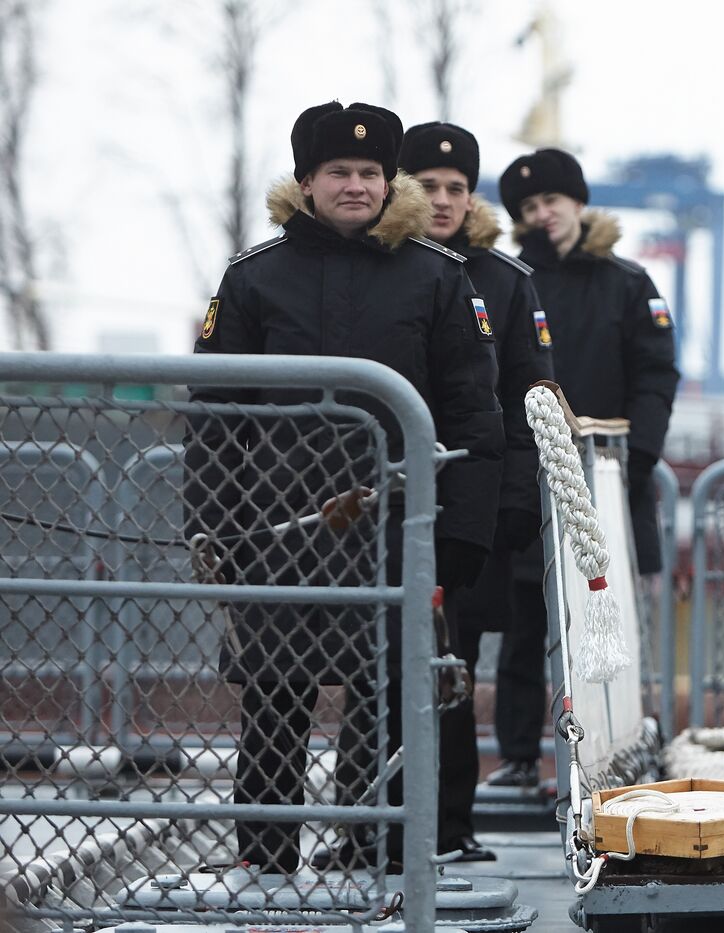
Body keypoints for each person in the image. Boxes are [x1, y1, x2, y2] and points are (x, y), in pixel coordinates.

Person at [185, 100, 504, 874]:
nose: (355, 185)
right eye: (339, 172)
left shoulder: (440, 277)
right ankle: (264, 861)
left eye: (369, 172)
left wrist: (465, 534)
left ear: (389, 181)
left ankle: (383, 858)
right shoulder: (253, 279)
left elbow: (474, 410)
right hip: (281, 528)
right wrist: (214, 526)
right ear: (306, 181)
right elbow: (216, 420)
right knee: (274, 696)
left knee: (391, 698)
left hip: (400, 527)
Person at [485, 148, 680, 788]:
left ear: (578, 203)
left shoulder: (628, 285)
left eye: (553, 202)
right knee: (521, 625)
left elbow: (656, 377)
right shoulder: (510, 282)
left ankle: (610, 754)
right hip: (527, 476)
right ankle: (518, 756)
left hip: (606, 482)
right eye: (531, 207)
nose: (544, 215)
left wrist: (636, 462)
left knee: (607, 624)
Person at [396, 120, 555, 857]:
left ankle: (452, 825)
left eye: (456, 188)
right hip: (390, 502)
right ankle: (382, 823)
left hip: (471, 506)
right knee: (382, 668)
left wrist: (517, 500)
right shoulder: (383, 265)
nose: (442, 199)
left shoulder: (504, 282)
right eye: (427, 185)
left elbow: (530, 399)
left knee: (453, 663)